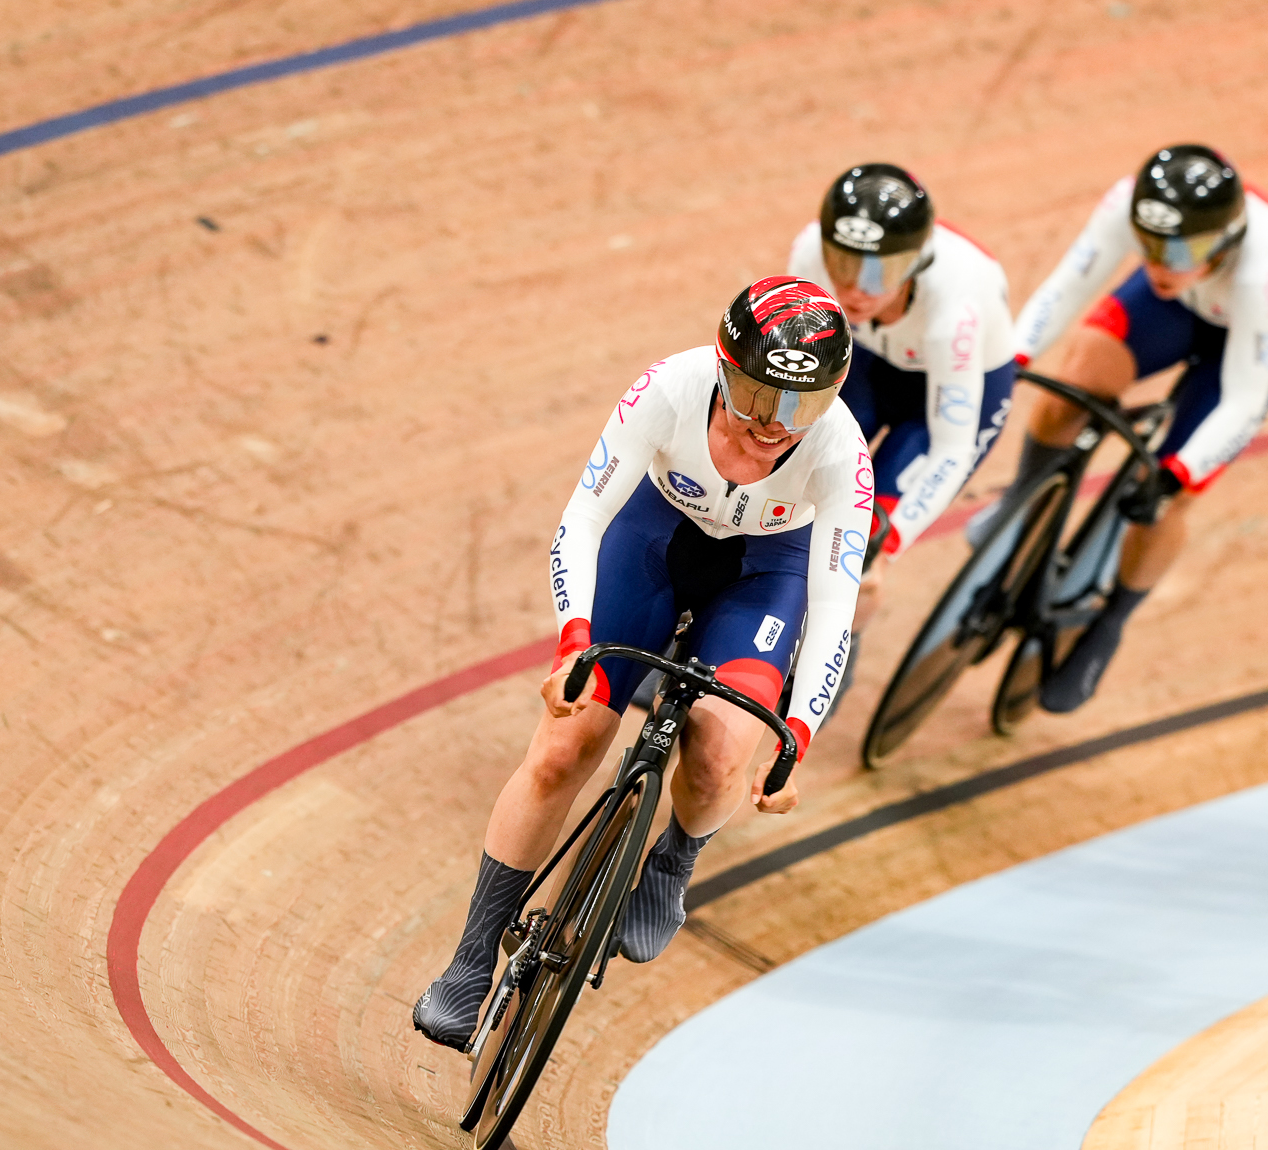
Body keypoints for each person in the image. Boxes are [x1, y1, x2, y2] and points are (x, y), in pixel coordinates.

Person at [413, 277, 873, 1050]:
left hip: (766, 576)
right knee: (564, 747)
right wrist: (573, 641)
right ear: (726, 368)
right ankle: (468, 962)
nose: (773, 426)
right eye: (759, 396)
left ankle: (675, 856)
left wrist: (797, 733)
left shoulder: (839, 452)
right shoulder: (669, 387)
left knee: (724, 749)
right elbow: (584, 519)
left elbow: (833, 608)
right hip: (652, 539)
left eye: (800, 406)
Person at [997, 143, 1268, 712]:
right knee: (1075, 379)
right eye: (1151, 248)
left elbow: (1246, 397)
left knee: (1168, 500)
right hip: (1180, 306)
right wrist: (1013, 358)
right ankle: (1023, 509)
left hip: (1255, 326)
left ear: (1225, 240)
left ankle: (1111, 622)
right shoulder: (1135, 212)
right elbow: (1065, 290)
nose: (1163, 265)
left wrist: (1178, 474)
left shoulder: (1264, 271)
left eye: (1185, 252)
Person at [787, 163, 1018, 687]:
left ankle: (831, 663)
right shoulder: (807, 254)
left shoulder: (952, 308)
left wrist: (887, 541)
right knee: (777, 470)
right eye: (841, 263)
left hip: (945, 401)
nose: (853, 289)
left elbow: (951, 450)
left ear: (915, 266)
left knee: (862, 551)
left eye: (877, 273)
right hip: (865, 361)